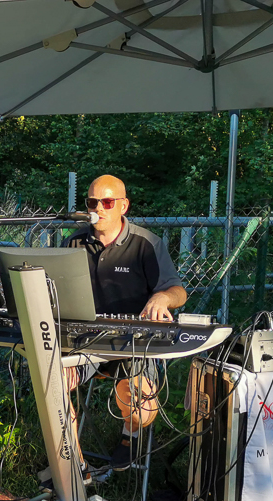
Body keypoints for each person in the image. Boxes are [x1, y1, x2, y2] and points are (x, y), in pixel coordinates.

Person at [64, 175, 187, 471]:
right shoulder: (73, 242)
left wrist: (162, 298)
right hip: (85, 341)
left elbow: (178, 291)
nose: (98, 208)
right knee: (53, 383)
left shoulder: (146, 244)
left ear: (124, 206)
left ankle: (129, 435)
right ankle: (73, 466)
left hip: (133, 343)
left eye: (107, 202)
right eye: (92, 202)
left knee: (141, 411)